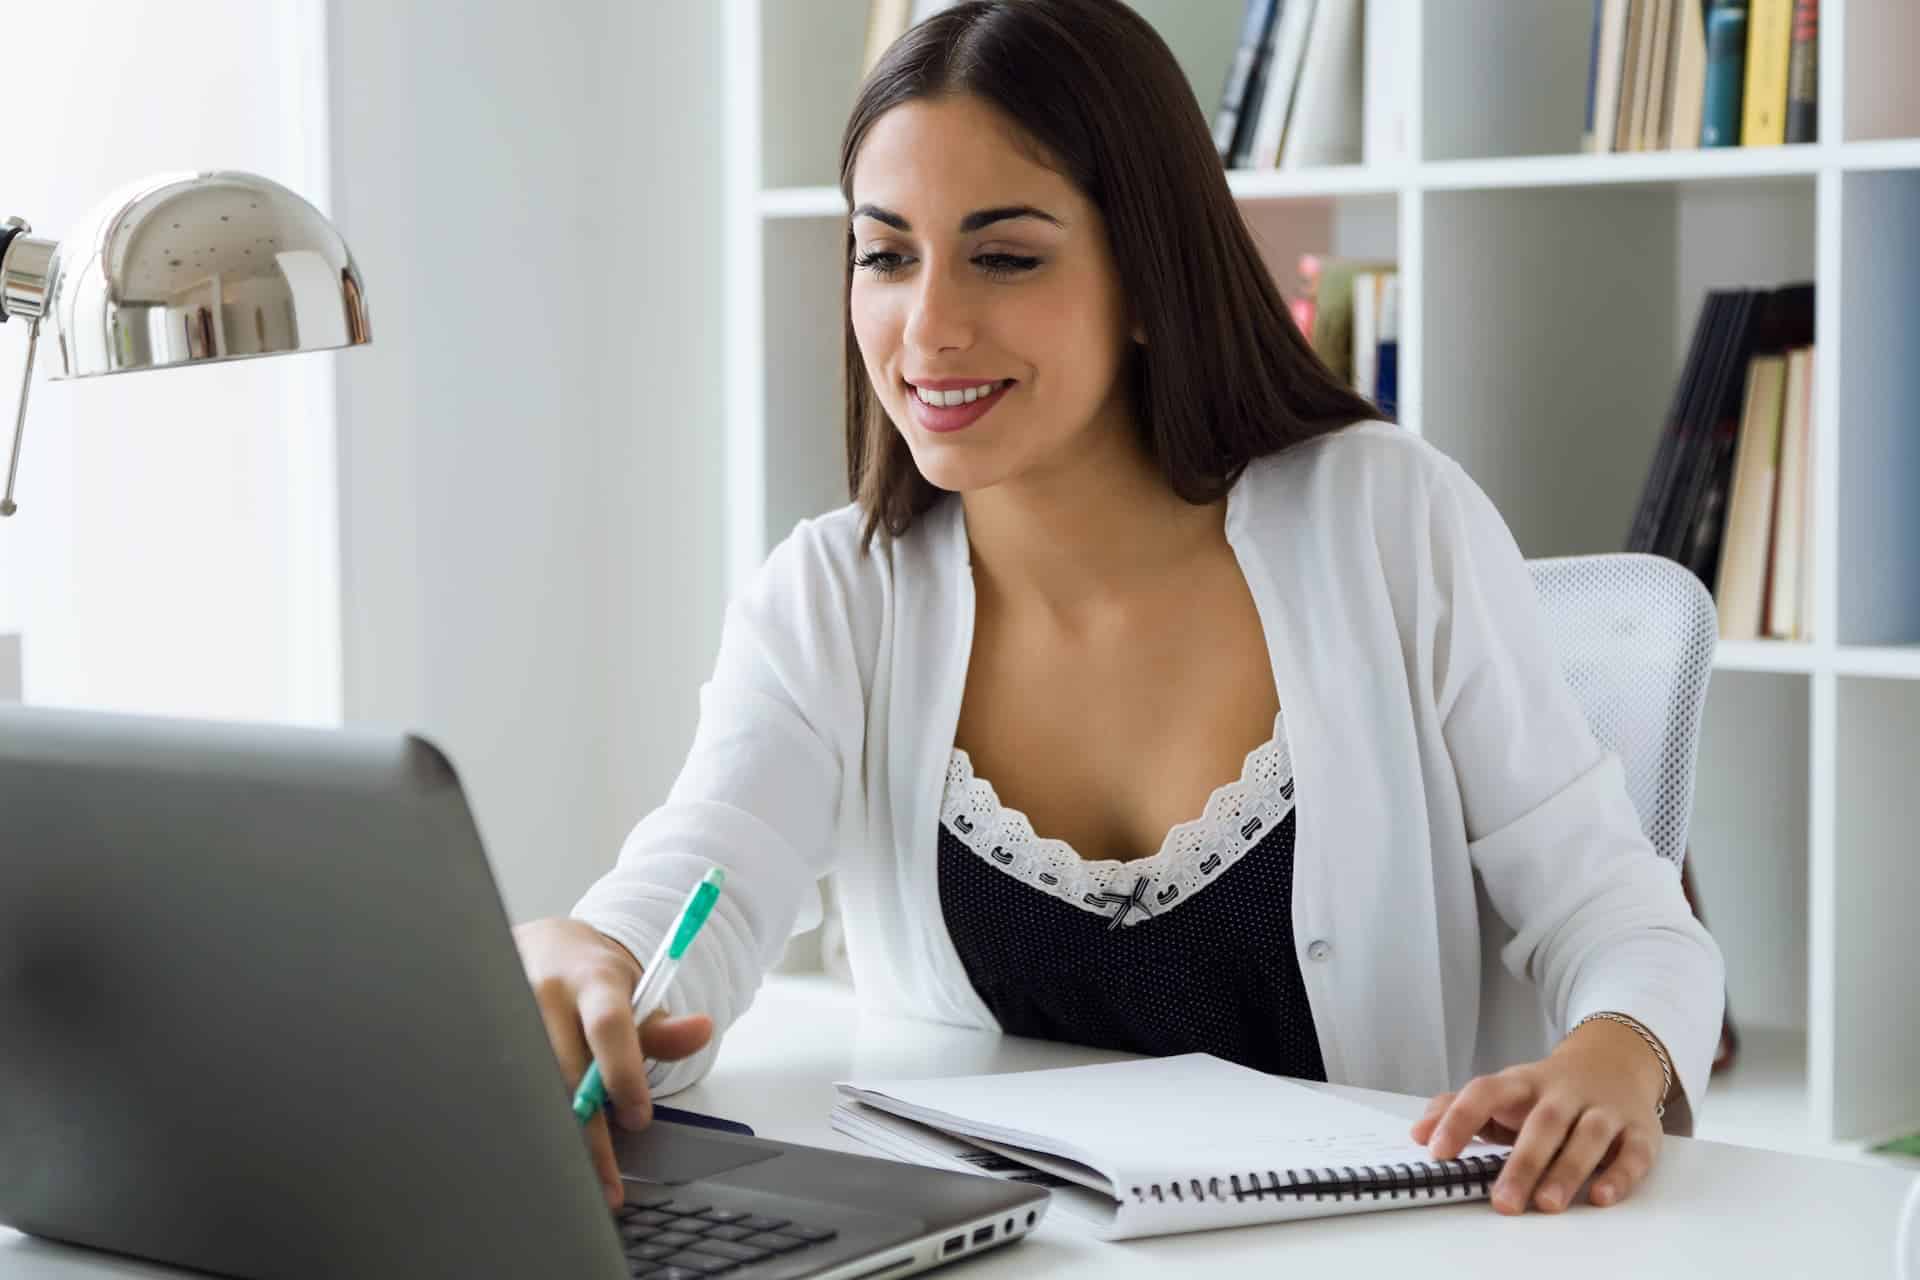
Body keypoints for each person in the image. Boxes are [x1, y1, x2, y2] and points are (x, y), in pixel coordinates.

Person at [512, 0, 1724, 1222]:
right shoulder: (834, 599)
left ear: (1149, 273)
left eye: (1004, 254)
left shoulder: (1387, 520)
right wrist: (596, 962)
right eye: (886, 255)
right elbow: (697, 880)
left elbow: (1621, 915)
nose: (926, 326)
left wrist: (1617, 1052)